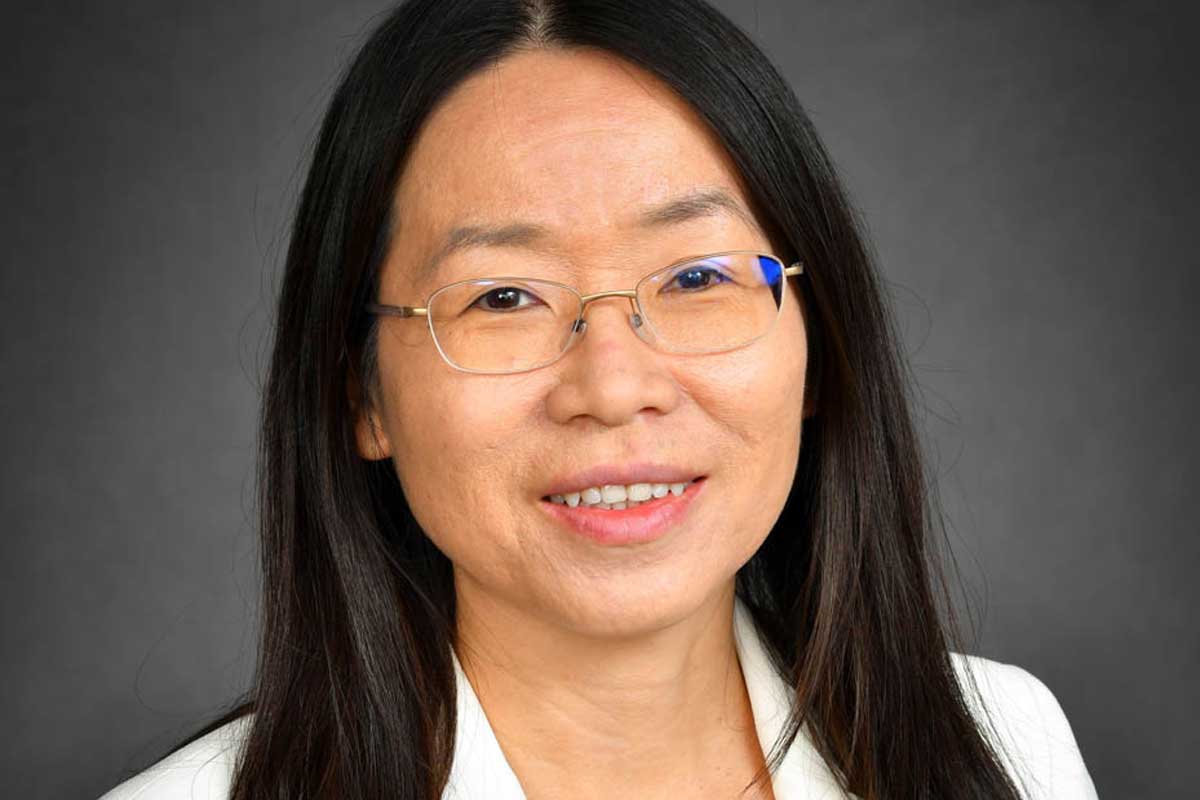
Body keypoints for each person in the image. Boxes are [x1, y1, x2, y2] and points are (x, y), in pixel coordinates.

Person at [100, 1, 1100, 798]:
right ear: (361, 392)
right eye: (502, 296)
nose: (614, 386)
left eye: (700, 278)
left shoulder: (1009, 745)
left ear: (821, 337)